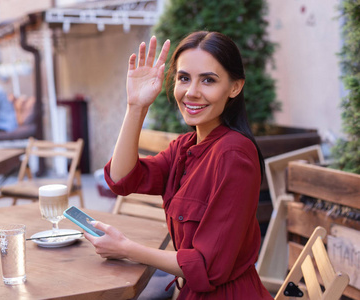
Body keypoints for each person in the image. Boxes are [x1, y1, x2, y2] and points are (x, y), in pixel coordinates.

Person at [83, 31, 273, 299]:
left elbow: (208, 266)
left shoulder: (234, 154)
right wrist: (136, 106)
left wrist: (126, 248)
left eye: (208, 80)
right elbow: (122, 180)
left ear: (235, 87)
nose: (192, 92)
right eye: (184, 78)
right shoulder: (185, 147)